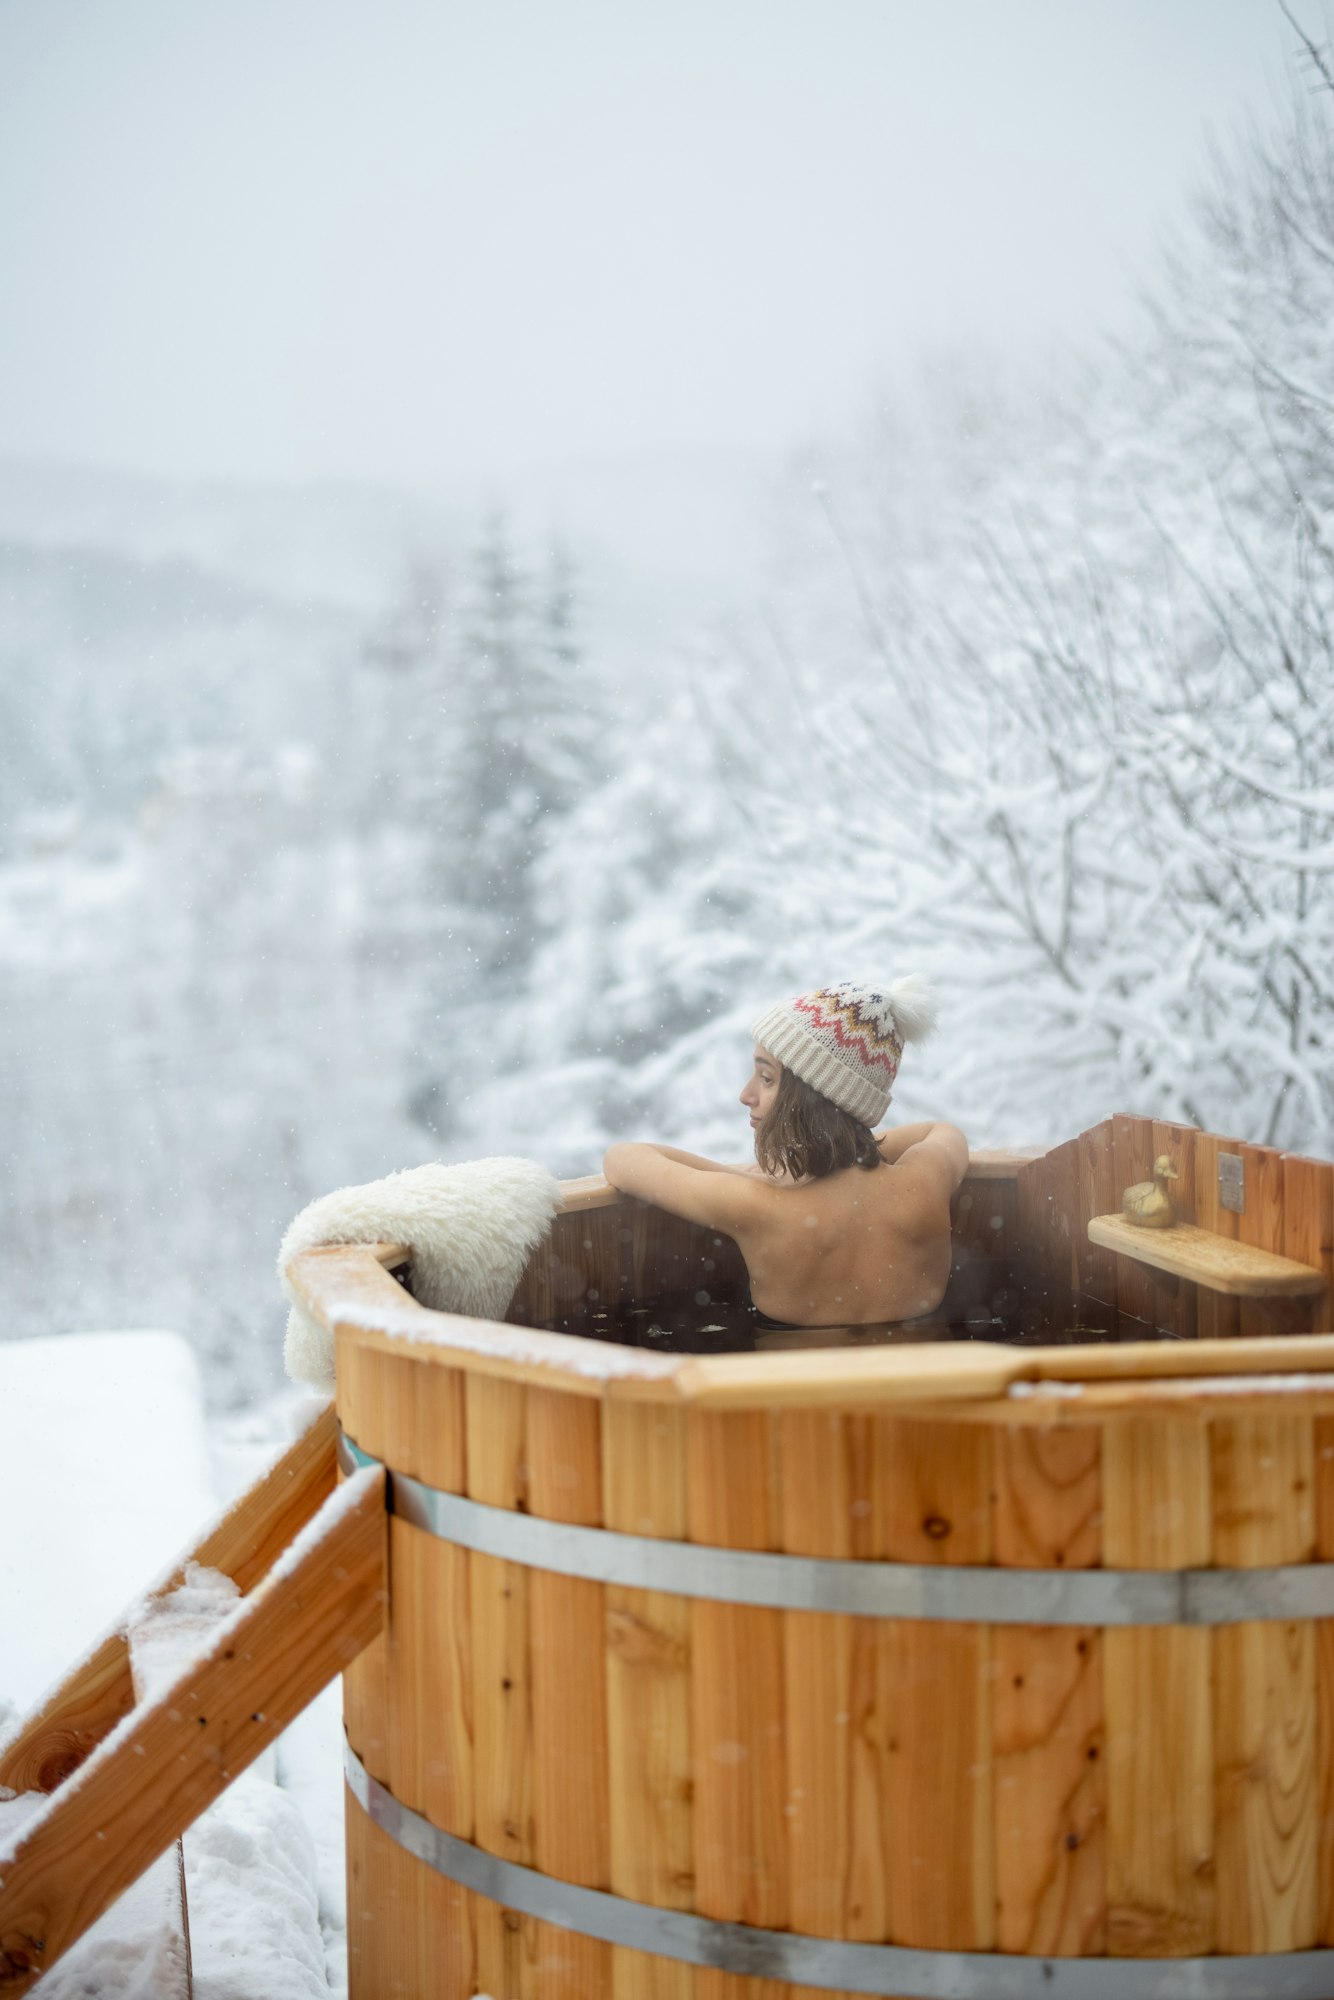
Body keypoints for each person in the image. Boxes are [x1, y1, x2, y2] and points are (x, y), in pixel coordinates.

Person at [602, 978, 968, 1328]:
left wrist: (753, 1177)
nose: (746, 1095)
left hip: (795, 1389)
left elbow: (622, 1158)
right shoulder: (925, 1182)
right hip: (913, 1386)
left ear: (813, 1099)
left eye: (767, 1079)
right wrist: (851, 1145)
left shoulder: (756, 1203)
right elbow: (943, 1131)